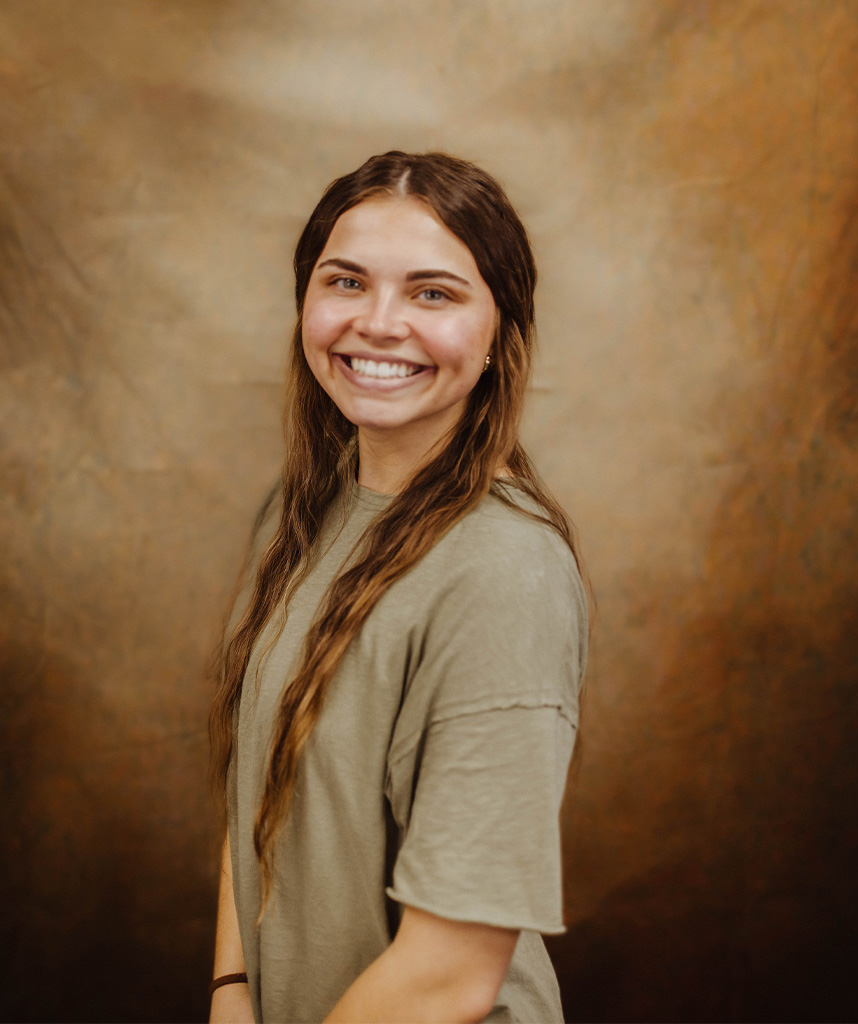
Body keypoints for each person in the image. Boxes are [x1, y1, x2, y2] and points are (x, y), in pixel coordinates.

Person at [208, 151, 589, 1024]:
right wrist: (232, 991)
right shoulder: (298, 516)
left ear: (500, 334)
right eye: (346, 281)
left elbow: (450, 975)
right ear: (306, 303)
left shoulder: (503, 573)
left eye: (433, 293)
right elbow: (255, 792)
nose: (378, 324)